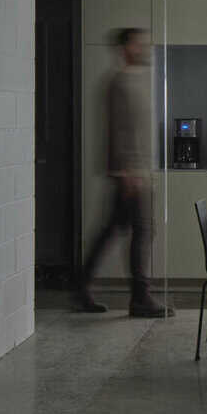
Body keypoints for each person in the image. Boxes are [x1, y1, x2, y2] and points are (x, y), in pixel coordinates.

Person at [75, 27, 168, 318]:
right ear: (126, 47)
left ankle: (80, 285)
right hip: (131, 174)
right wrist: (127, 171)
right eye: (139, 44)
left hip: (138, 172)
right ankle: (140, 298)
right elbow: (118, 130)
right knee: (142, 230)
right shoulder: (118, 82)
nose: (145, 48)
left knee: (113, 230)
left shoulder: (135, 80)